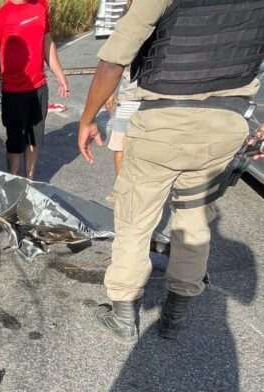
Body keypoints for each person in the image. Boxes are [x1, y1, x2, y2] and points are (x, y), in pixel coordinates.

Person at [78, 0, 264, 343]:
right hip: (226, 124)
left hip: (163, 122)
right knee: (194, 221)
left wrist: (88, 119)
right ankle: (175, 317)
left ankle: (123, 318)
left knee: (135, 219)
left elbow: (114, 59)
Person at [0, 0, 69, 179]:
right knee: (15, 145)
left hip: (39, 88)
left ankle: (29, 181)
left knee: (35, 141)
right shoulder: (1, 16)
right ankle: (12, 181)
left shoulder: (41, 5)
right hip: (14, 93)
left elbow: (47, 40)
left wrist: (59, 73)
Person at [103, 67, 140, 201]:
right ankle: (119, 187)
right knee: (120, 146)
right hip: (128, 98)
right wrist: (109, 90)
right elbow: (115, 62)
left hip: (157, 99)